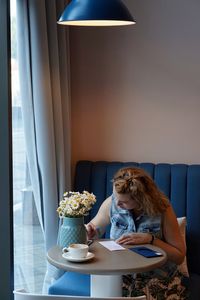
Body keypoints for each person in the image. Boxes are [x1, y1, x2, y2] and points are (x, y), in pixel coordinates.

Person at [86, 167, 189, 300]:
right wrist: (90, 231)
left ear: (140, 199)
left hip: (157, 277)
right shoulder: (112, 203)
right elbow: (94, 229)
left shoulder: (163, 210)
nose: (117, 203)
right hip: (120, 275)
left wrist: (151, 239)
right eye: (115, 196)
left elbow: (179, 256)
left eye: (124, 201)